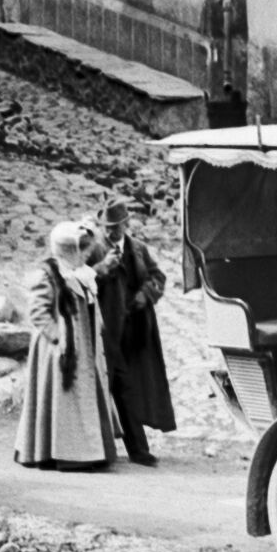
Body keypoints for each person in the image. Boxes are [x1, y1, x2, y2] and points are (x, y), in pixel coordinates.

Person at [14, 219, 123, 470]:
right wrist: (58, 339)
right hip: (61, 349)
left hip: (84, 345)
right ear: (68, 250)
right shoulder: (49, 275)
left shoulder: (81, 273)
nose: (87, 255)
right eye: (83, 251)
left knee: (84, 397)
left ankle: (89, 450)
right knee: (65, 400)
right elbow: (39, 313)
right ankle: (64, 452)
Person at [95, 197, 174, 465]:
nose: (110, 231)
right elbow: (82, 278)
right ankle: (128, 449)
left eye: (115, 226)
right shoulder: (95, 249)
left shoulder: (138, 248)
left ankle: (132, 448)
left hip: (137, 329)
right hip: (106, 330)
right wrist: (102, 269)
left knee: (133, 385)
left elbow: (158, 277)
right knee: (116, 386)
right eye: (106, 226)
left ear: (126, 223)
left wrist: (145, 295)